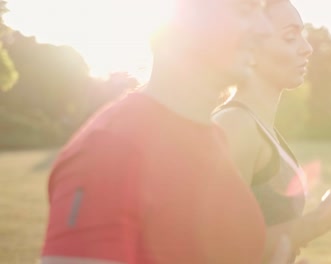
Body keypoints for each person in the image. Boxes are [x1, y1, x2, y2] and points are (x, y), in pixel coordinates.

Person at [40, 1, 277, 263]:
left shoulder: (213, 138)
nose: (266, 30)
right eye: (245, 10)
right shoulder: (109, 148)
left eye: (263, 13)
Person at [212, 0, 331, 262]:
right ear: (251, 47)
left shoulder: (261, 127)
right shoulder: (235, 125)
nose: (307, 49)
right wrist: (320, 220)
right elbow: (215, 247)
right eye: (290, 37)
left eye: (303, 36)